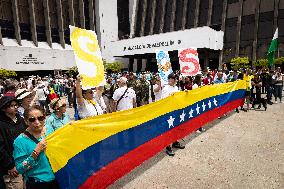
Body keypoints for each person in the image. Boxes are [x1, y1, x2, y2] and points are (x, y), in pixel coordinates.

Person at [13, 106, 59, 189]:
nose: (37, 122)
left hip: (57, 179)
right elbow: (20, 169)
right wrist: (35, 152)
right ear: (26, 121)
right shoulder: (19, 141)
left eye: (40, 118)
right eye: (32, 119)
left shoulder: (49, 130)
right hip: (38, 184)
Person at [0, 96, 27, 189]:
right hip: (12, 169)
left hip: (25, 164)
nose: (15, 107)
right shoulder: (1, 124)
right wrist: (10, 165)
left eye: (16, 105)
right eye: (12, 106)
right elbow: (1, 148)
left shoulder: (20, 120)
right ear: (4, 108)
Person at [161, 74, 185, 156]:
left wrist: (184, 93)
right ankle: (168, 147)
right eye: (172, 79)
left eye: (174, 79)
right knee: (169, 130)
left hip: (176, 111)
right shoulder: (165, 88)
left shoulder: (176, 88)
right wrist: (171, 96)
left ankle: (175, 142)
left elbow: (179, 97)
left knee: (176, 128)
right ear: (169, 79)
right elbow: (163, 100)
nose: (174, 80)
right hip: (168, 112)